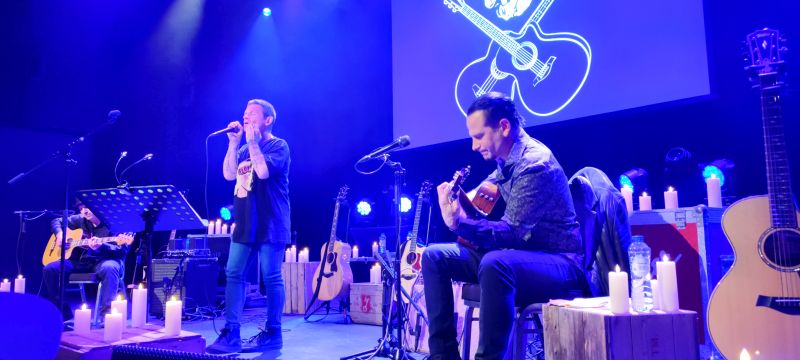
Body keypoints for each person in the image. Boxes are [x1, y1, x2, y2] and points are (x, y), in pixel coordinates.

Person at [422, 92, 587, 359]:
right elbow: (479, 200)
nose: (474, 146)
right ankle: (443, 356)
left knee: (495, 263)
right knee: (434, 256)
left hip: (558, 261)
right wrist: (456, 203)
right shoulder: (505, 161)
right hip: (521, 257)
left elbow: (513, 232)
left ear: (504, 127)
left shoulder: (535, 163)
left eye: (478, 136)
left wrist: (459, 223)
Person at [207, 99, 291, 354]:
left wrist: (252, 143)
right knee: (233, 272)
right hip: (245, 221)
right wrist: (234, 144)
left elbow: (263, 172)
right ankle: (231, 331)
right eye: (244, 114)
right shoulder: (243, 148)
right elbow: (229, 174)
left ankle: (273, 332)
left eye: (252, 114)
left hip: (271, 220)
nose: (246, 118)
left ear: (268, 120)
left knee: (271, 276)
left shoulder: (279, 145)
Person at [43, 203, 128, 319]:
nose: (84, 211)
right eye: (81, 208)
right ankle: (63, 314)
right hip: (80, 261)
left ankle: (107, 316)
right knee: (50, 269)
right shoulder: (80, 219)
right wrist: (60, 234)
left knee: (110, 267)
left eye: (87, 207)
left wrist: (102, 246)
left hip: (104, 260)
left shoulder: (112, 222)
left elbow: (121, 251)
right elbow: (56, 221)